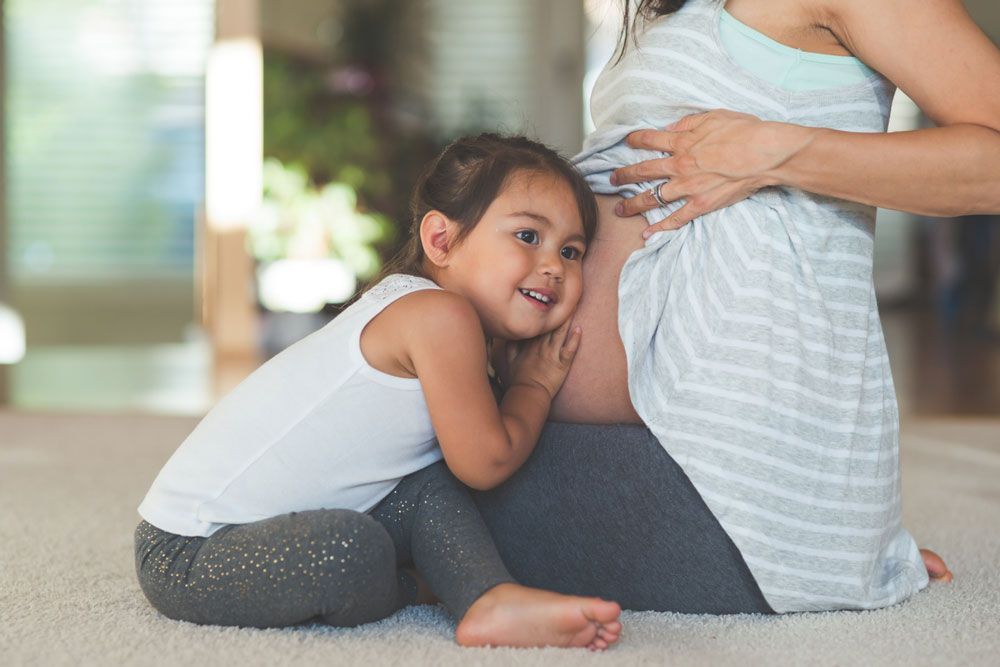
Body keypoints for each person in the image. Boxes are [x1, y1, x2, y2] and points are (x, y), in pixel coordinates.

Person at [477, 0, 996, 613]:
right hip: (587, 429)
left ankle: (811, 543)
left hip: (708, 478)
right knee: (400, 409)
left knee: (410, 490)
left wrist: (773, 152)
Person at [134, 134, 623, 650]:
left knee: (426, 488)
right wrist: (534, 385)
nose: (554, 265)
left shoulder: (433, 315)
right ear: (441, 241)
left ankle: (487, 599)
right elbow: (486, 462)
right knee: (351, 549)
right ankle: (421, 587)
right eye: (528, 236)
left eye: (571, 252)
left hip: (269, 529)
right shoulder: (439, 317)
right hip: (188, 551)